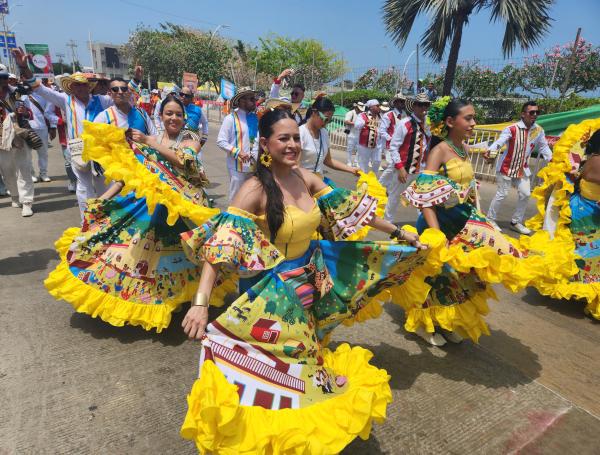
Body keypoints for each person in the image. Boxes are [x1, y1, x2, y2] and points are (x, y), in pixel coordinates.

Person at [179, 108, 428, 453]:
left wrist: (401, 233)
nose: (293, 144)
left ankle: (299, 436)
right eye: (284, 138)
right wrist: (200, 305)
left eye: (296, 137)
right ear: (265, 143)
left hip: (309, 280)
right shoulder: (254, 188)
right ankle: (264, 439)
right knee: (267, 369)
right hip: (271, 292)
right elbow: (221, 249)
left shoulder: (307, 177)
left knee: (303, 359)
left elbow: (355, 212)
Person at [401, 99, 573, 345]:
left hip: (463, 221)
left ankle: (448, 321)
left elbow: (468, 188)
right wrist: (436, 236)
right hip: (438, 223)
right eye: (468, 118)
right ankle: (423, 324)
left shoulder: (464, 148)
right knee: (437, 276)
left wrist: (478, 217)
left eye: (474, 118)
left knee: (465, 277)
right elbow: (424, 197)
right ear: (450, 122)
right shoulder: (438, 151)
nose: (473, 123)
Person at [45, 94, 217, 332]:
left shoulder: (190, 137)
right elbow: (127, 176)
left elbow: (185, 159)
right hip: (153, 209)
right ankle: (157, 301)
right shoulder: (151, 140)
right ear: (161, 116)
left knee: (188, 256)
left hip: (185, 209)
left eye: (178, 114)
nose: (174, 118)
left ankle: (186, 298)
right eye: (169, 113)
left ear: (184, 117)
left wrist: (148, 141)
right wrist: (102, 200)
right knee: (145, 259)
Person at [13, 47, 144, 218]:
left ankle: (105, 219)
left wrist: (136, 79)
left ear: (89, 87)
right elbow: (39, 89)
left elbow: (122, 94)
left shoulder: (102, 100)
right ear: (71, 87)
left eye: (84, 84)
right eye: (77, 85)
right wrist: (24, 68)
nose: (81, 88)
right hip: (77, 148)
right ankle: (87, 220)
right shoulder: (65, 100)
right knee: (83, 187)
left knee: (104, 185)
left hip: (100, 150)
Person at [527, 120, 600, 319]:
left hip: (586, 211)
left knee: (585, 252)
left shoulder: (591, 159)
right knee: (585, 253)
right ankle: (578, 289)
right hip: (586, 213)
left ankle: (581, 288)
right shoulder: (597, 161)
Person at [485, 101, 552, 235]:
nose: (534, 115)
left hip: (522, 168)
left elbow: (544, 146)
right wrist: (491, 150)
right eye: (531, 112)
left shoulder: (538, 130)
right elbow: (500, 141)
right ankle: (490, 219)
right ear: (523, 114)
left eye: (537, 112)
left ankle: (516, 221)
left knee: (526, 194)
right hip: (506, 167)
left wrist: (552, 160)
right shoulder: (512, 128)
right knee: (502, 194)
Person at [380, 93, 431, 222]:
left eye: (426, 104)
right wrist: (400, 168)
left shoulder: (428, 124)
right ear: (414, 106)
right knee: (395, 195)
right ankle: (388, 222)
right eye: (420, 104)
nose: (423, 107)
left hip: (420, 169)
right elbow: (394, 147)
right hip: (405, 168)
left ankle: (421, 223)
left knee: (421, 197)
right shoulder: (405, 124)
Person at [0, 64, 35, 217]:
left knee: (24, 168)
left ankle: (26, 202)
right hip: (1, 138)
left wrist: (24, 112)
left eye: (5, 77)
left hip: (19, 134)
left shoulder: (18, 93)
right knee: (7, 171)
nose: (3, 81)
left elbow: (30, 114)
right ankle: (14, 195)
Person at [216, 87, 259, 202]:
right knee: (236, 198)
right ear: (241, 101)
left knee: (250, 198)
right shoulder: (230, 119)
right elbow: (221, 141)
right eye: (251, 99)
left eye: (254, 99)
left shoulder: (255, 118)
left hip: (254, 167)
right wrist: (237, 152)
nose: (255, 101)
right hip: (237, 168)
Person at [299, 96, 359, 177]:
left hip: (318, 183)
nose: (326, 123)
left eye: (329, 121)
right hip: (302, 182)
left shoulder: (324, 133)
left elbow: (328, 160)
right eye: (325, 119)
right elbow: (294, 166)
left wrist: (352, 170)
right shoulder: (300, 133)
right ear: (314, 113)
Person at [23, 80, 59, 183]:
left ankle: (43, 173)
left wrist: (53, 127)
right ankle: (31, 174)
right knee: (27, 154)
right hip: (26, 127)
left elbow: (50, 111)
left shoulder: (43, 95)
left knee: (43, 153)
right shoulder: (20, 95)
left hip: (42, 127)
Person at [354, 99, 383, 174]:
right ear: (371, 107)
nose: (379, 107)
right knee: (364, 163)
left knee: (377, 161)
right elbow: (356, 126)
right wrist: (365, 123)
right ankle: (364, 179)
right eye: (377, 106)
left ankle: (373, 178)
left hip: (377, 145)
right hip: (364, 144)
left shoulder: (380, 117)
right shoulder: (363, 115)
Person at [378, 92, 407, 165]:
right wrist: (391, 139)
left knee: (398, 166)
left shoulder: (405, 115)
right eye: (400, 101)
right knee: (392, 165)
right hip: (390, 145)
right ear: (395, 103)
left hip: (403, 145)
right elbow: (382, 131)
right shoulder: (388, 115)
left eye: (403, 101)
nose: (402, 103)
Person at [344, 102, 363, 167]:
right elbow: (346, 121)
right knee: (350, 148)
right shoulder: (350, 113)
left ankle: (356, 162)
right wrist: (355, 124)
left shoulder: (362, 114)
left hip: (359, 134)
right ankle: (349, 161)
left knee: (359, 149)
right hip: (351, 134)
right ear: (356, 107)